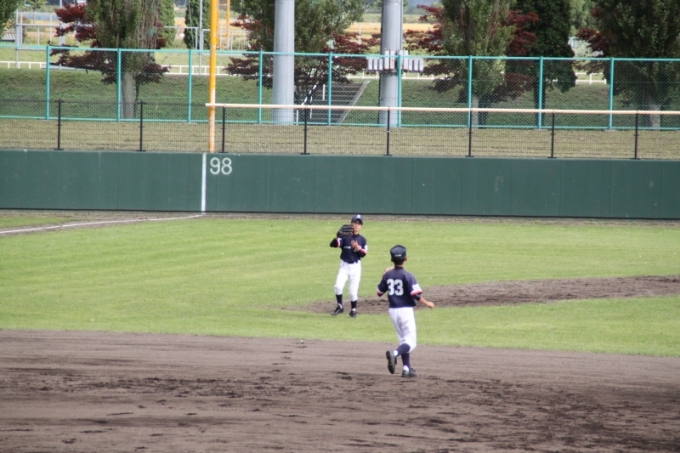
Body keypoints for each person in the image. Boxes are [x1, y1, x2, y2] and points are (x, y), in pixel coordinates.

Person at [377, 244, 435, 378]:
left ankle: (406, 369)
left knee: (404, 340)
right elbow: (415, 295)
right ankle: (394, 354)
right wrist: (427, 303)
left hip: (393, 311)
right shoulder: (407, 275)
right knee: (411, 342)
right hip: (405, 311)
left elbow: (379, 292)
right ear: (406, 258)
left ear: (391, 259)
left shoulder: (388, 275)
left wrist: (385, 277)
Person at [329, 214, 367, 318]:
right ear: (351, 224)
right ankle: (340, 306)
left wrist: (357, 248)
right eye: (355, 223)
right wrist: (337, 237)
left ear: (361, 226)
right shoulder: (345, 237)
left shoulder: (362, 239)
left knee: (353, 292)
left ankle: (353, 310)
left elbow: (363, 254)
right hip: (344, 266)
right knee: (338, 286)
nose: (356, 225)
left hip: (356, 267)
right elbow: (333, 245)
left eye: (359, 224)